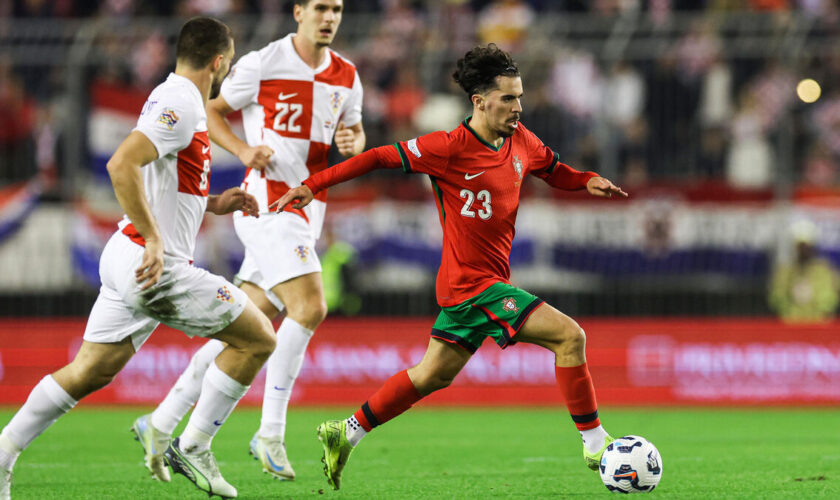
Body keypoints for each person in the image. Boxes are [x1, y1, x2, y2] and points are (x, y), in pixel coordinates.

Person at [274, 44, 628, 491]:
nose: (517, 108)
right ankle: (596, 443)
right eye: (507, 99)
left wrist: (586, 180)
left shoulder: (522, 139)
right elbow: (379, 157)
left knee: (431, 375)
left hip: (482, 284)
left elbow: (553, 169)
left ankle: (345, 432)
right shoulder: (448, 148)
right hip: (472, 286)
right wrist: (313, 184)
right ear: (479, 101)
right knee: (570, 336)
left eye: (519, 98)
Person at [0, 17, 276, 500]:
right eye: (228, 61)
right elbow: (121, 164)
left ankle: (2, 455)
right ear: (219, 61)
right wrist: (153, 237)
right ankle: (193, 443)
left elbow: (165, 181)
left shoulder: (172, 96)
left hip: (127, 256)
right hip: (155, 265)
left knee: (90, 371)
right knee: (259, 339)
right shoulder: (180, 101)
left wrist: (215, 203)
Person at [132, 0, 365, 482]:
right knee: (311, 307)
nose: (330, 17)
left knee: (249, 324)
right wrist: (243, 149)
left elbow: (354, 130)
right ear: (298, 11)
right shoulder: (264, 62)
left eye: (337, 9)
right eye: (321, 7)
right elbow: (213, 110)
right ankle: (270, 433)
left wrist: (354, 142)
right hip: (268, 208)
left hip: (308, 212)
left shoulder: (348, 75)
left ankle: (161, 421)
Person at [769, 220, 840, 323]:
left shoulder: (824, 271)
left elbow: (830, 299)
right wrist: (788, 315)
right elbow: (777, 297)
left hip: (819, 326)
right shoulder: (785, 271)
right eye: (800, 246)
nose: (803, 250)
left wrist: (821, 315)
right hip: (790, 326)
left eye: (806, 246)